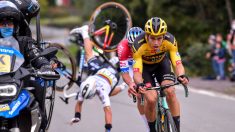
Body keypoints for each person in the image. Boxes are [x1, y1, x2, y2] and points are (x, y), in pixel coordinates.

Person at [0, 0, 55, 129]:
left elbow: (36, 55)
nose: (6, 26)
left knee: (38, 85)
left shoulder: (24, 41)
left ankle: (42, 124)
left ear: (15, 26)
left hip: (19, 80)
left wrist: (44, 65)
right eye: (2, 23)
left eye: (10, 23)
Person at [130, 17, 189, 132]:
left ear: (164, 36)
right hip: (145, 69)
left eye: (159, 38)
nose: (156, 42)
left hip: (162, 65)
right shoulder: (138, 44)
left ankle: (177, 128)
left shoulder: (170, 40)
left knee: (170, 91)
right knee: (151, 99)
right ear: (146, 36)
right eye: (152, 38)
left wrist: (181, 75)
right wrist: (140, 84)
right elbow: (136, 72)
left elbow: (177, 64)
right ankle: (152, 129)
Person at [69, 26, 128, 132]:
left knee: (108, 93)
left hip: (111, 74)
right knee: (89, 56)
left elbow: (108, 111)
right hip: (99, 71)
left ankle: (123, 86)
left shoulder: (102, 92)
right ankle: (85, 34)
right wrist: (77, 116)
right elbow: (79, 103)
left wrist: (108, 129)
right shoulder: (84, 86)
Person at [117, 27, 149, 131]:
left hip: (145, 64)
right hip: (131, 67)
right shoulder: (122, 47)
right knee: (139, 95)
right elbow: (125, 72)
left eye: (136, 44)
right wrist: (131, 83)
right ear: (128, 43)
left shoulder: (148, 43)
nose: (134, 47)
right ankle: (147, 125)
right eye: (131, 45)